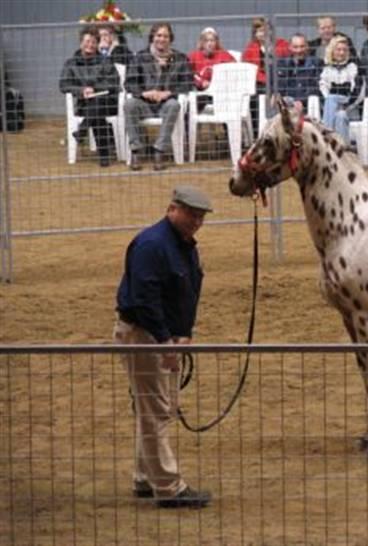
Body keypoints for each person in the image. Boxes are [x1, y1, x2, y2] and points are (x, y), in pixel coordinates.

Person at [114, 185, 213, 509]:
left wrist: (183, 334)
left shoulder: (182, 244)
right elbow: (145, 298)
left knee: (156, 407)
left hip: (160, 335)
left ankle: (145, 477)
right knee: (156, 409)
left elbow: (187, 290)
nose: (196, 221)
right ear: (173, 209)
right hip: (145, 335)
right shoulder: (153, 245)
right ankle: (169, 488)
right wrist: (166, 341)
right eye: (191, 215)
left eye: (200, 217)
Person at [124, 22, 193, 171]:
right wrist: (144, 93)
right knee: (129, 104)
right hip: (145, 103)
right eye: (158, 35)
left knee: (175, 105)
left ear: (170, 39)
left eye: (165, 36)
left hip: (166, 104)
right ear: (152, 37)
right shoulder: (140, 57)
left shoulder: (180, 58)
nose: (162, 39)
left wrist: (168, 93)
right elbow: (129, 83)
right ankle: (136, 151)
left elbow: (188, 82)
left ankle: (159, 151)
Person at [59, 27, 120, 167]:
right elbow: (63, 85)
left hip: (107, 102)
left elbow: (114, 82)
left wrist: (95, 89)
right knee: (96, 110)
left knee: (98, 102)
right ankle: (103, 154)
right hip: (84, 105)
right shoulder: (71, 63)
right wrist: (82, 90)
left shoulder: (105, 61)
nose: (90, 45)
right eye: (87, 41)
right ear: (81, 42)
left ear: (97, 44)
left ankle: (82, 131)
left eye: (93, 42)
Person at [242, 18, 290, 132]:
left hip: (280, 82)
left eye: (266, 30)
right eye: (260, 31)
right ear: (255, 34)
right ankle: (257, 131)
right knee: (253, 99)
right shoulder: (251, 48)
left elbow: (287, 65)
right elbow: (249, 69)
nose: (263, 33)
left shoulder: (282, 45)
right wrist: (265, 80)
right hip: (259, 84)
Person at [319, 36, 363, 142]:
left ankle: (326, 137)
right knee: (340, 115)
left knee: (332, 99)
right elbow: (321, 90)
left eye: (344, 50)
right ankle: (344, 150)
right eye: (338, 50)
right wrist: (335, 107)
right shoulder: (326, 69)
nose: (342, 53)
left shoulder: (353, 68)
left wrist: (345, 106)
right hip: (332, 110)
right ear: (332, 51)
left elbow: (359, 94)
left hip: (350, 108)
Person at [276, 33, 323, 113]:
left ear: (307, 46)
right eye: (295, 47)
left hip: (309, 106)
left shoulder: (316, 63)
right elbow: (279, 87)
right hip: (286, 107)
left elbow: (317, 87)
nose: (299, 50)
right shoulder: (282, 64)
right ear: (290, 47)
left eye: (302, 46)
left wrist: (301, 101)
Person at [187, 27, 236, 95]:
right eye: (206, 41)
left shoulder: (224, 55)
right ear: (202, 42)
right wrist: (201, 82)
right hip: (201, 92)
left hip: (221, 91)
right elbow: (188, 73)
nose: (209, 43)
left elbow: (235, 69)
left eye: (212, 40)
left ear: (216, 42)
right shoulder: (194, 56)